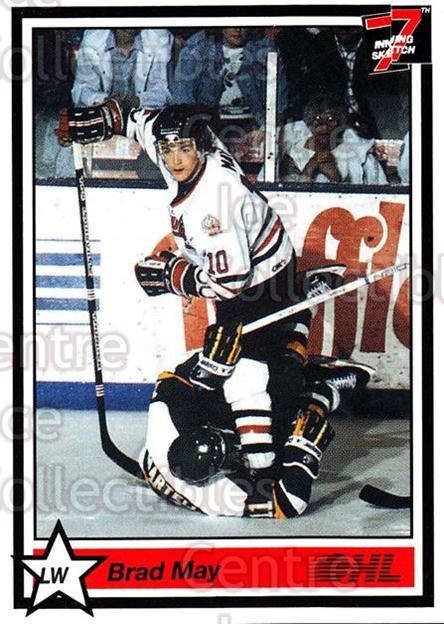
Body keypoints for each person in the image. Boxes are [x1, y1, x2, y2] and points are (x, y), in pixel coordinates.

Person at [56, 101, 345, 474]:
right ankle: (302, 312)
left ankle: (288, 425)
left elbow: (231, 282)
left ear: (202, 146)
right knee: (234, 363)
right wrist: (105, 118)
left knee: (247, 372)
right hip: (256, 257)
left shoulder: (214, 205)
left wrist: (174, 276)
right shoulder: (177, 140)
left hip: (261, 282)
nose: (174, 159)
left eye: (184, 148)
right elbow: (137, 120)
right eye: (167, 149)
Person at [138, 325, 375, 518]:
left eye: (227, 444)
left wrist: (208, 367)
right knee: (291, 437)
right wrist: (304, 455)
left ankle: (299, 358)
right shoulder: (219, 497)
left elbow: (172, 378)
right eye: (230, 457)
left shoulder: (167, 421)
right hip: (230, 479)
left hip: (171, 449)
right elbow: (288, 505)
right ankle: (320, 390)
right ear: (215, 475)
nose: (236, 448)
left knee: (243, 370)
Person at [170, 28, 288, 165]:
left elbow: (279, 98)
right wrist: (205, 133)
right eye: (231, 23)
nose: (237, 29)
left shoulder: (264, 48)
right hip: (210, 125)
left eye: (243, 23)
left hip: (254, 124)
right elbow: (183, 100)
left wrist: (265, 129)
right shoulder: (196, 48)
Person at [280, 95, 387, 184]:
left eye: (331, 119)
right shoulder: (293, 156)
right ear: (309, 123)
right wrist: (309, 168)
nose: (323, 125)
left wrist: (335, 177)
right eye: (317, 118)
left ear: (341, 124)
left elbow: (380, 194)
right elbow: (285, 196)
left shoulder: (361, 155)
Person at [71, 28, 173, 109]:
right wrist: (105, 101)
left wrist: (135, 101)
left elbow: (163, 93)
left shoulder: (160, 38)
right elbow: (81, 90)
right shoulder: (92, 39)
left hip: (143, 118)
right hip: (103, 116)